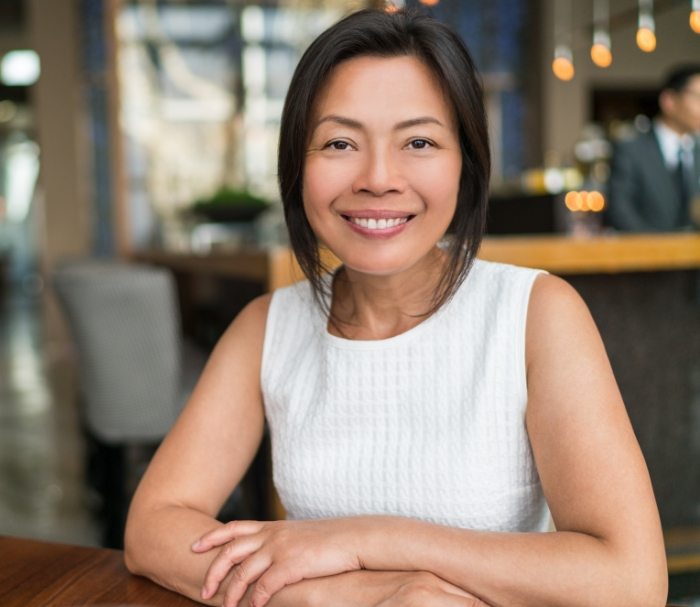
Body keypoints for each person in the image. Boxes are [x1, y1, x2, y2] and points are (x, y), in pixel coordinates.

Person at [124, 9, 668, 607]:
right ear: (295, 166)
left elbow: (629, 580)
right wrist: (346, 595)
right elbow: (153, 528)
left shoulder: (535, 313)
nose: (378, 178)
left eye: (418, 142)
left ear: (466, 162)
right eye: (339, 143)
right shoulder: (268, 326)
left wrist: (367, 540)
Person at [606, 64, 700, 232]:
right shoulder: (631, 149)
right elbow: (620, 210)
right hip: (647, 252)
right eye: (698, 97)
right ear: (669, 101)